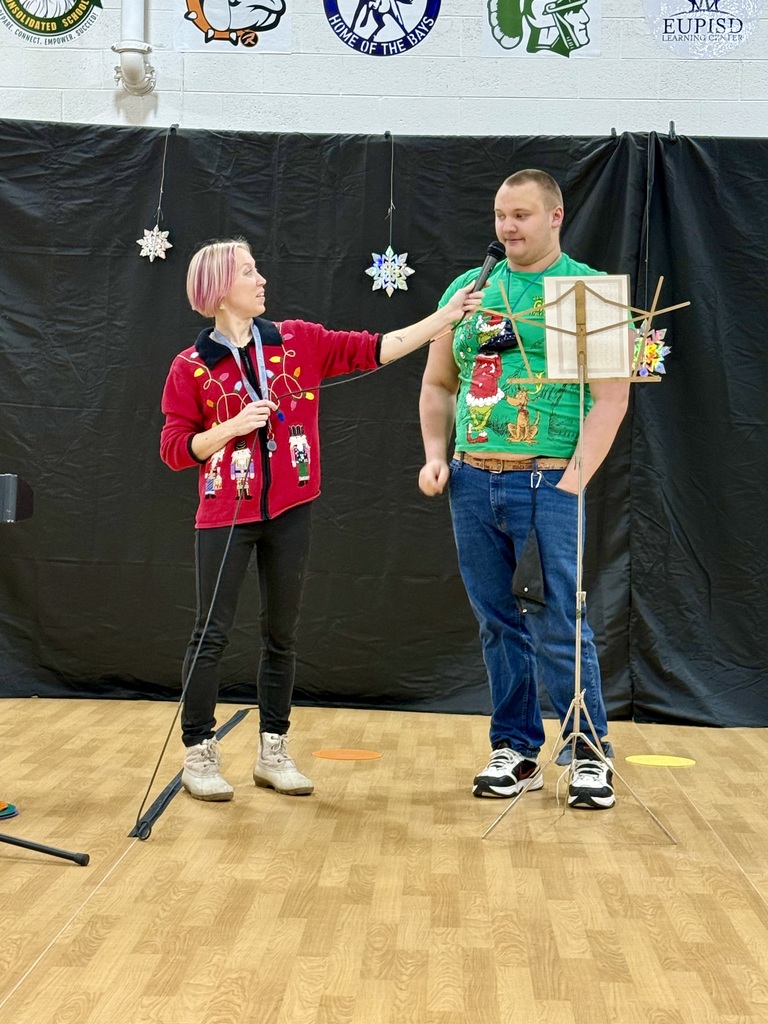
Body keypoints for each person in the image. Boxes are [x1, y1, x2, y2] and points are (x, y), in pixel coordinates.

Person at [160, 238, 482, 801]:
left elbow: (379, 348)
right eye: (249, 272)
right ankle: (199, 753)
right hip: (224, 513)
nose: (262, 279)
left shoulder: (296, 342)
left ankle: (273, 749)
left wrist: (445, 318)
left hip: (291, 508)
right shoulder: (189, 368)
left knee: (280, 634)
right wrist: (230, 429)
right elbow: (174, 448)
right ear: (218, 291)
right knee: (209, 634)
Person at [418, 170, 629, 810]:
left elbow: (612, 398)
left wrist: (572, 482)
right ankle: (515, 747)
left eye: (522, 215)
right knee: (496, 620)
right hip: (473, 477)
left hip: (548, 479)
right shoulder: (471, 288)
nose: (508, 227)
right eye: (500, 214)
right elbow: (437, 383)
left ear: (556, 216)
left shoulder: (582, 292)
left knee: (559, 617)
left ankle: (588, 752)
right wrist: (435, 455)